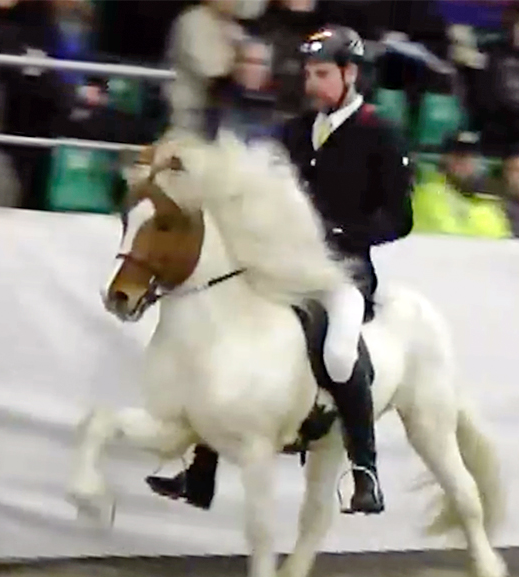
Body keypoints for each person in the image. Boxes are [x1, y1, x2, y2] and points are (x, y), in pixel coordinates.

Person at [146, 24, 414, 516]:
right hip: (283, 269)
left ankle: (365, 471)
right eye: (309, 74)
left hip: (342, 275)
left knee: (337, 354)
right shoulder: (293, 131)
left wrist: (339, 235)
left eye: (322, 74)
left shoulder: (379, 133)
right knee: (229, 340)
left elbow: (399, 218)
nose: (312, 83)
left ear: (350, 74)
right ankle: (199, 473)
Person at [411, 130, 512, 239]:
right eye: (457, 155)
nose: (463, 161)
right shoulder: (425, 194)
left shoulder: (490, 209)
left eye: (471, 156)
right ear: (444, 159)